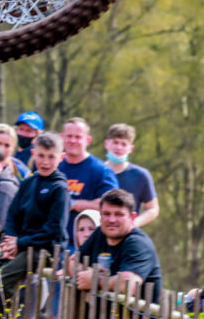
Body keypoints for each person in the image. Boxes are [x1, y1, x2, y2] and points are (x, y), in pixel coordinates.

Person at [0, 132, 70, 319]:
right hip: (21, 244)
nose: (45, 162)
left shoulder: (59, 188)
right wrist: (10, 240)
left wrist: (20, 243)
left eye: (51, 157)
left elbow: (54, 230)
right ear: (33, 154)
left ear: (61, 157)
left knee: (1, 278)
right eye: (41, 156)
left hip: (44, 249)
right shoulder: (28, 183)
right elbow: (12, 215)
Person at [66, 189, 162, 300]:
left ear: (132, 217)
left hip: (133, 311)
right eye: (106, 214)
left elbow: (127, 285)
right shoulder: (100, 233)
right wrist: (87, 276)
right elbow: (72, 262)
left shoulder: (138, 243)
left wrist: (96, 281)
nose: (111, 220)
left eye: (119, 214)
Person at [58, 117, 119, 247]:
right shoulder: (54, 166)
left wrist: (74, 204)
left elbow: (111, 206)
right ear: (62, 137)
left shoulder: (101, 170)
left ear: (88, 140)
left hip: (88, 244)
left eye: (78, 137)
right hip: (55, 241)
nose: (73, 141)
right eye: (69, 136)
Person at [103, 123, 158, 228]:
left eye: (124, 144)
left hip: (127, 233)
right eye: (115, 142)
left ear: (131, 148)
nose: (119, 147)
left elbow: (153, 209)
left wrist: (133, 224)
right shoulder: (97, 171)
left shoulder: (141, 175)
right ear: (106, 144)